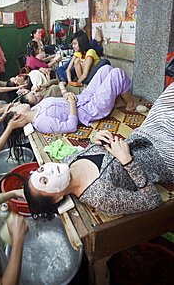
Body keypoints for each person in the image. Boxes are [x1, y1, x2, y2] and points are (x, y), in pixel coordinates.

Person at [23, 80, 174, 217]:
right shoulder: (101, 198)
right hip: (165, 156)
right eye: (44, 181)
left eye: (41, 170)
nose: (49, 171)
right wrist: (127, 162)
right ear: (57, 198)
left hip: (146, 132)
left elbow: (94, 150)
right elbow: (152, 200)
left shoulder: (67, 161)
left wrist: (94, 139)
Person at [8, 65, 137, 135]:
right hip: (90, 109)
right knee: (117, 73)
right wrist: (70, 102)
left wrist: (65, 96)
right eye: (16, 106)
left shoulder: (37, 107)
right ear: (18, 115)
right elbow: (70, 126)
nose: (18, 104)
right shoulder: (41, 122)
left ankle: (117, 101)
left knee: (106, 69)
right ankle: (130, 104)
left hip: (83, 97)